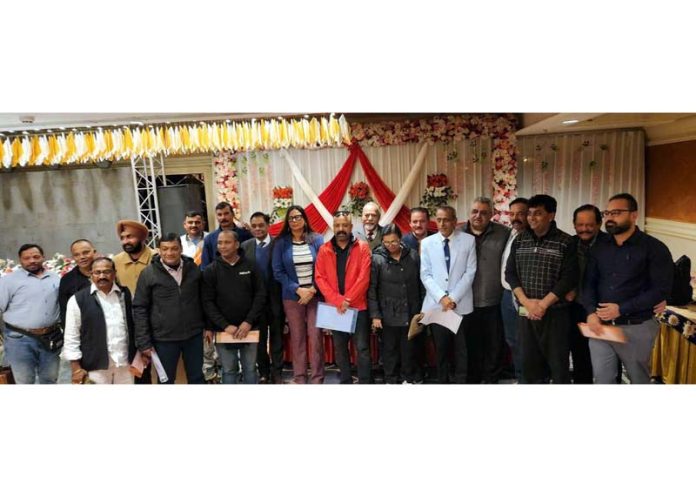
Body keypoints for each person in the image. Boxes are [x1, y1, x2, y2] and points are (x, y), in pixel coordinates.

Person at [582, 193, 673, 384]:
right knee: (602, 379)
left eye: (616, 212)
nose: (609, 218)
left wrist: (621, 309)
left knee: (638, 378)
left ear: (634, 215)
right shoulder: (599, 247)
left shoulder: (654, 248)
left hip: (637, 327)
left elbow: (660, 290)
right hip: (600, 326)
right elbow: (588, 283)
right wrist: (591, 312)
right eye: (607, 213)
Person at [505, 194, 578, 384]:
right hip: (526, 313)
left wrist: (543, 305)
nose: (531, 218)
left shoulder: (566, 242)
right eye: (529, 214)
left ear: (551, 215)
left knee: (558, 366)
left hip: (556, 315)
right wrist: (527, 303)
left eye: (538, 213)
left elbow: (568, 278)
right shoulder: (520, 240)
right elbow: (510, 273)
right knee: (528, 364)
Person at [133, 233, 205, 384]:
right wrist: (144, 341)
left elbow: (203, 299)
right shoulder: (148, 273)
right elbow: (140, 308)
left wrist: (207, 326)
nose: (169, 253)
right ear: (159, 250)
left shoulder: (193, 268)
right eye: (165, 249)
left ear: (180, 249)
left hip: (193, 335)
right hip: (164, 339)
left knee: (197, 377)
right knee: (166, 380)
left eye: (174, 248)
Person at [420, 206, 477, 384]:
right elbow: (425, 274)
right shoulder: (428, 243)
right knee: (441, 349)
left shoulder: (468, 241)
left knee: (462, 349)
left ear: (454, 220)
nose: (442, 223)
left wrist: (452, 298)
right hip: (437, 305)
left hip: (460, 305)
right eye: (439, 219)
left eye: (446, 219)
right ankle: (443, 382)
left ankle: (461, 381)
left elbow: (470, 272)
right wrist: (442, 298)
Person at [315, 211, 373, 384]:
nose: (341, 229)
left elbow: (364, 278)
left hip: (358, 307)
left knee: (362, 348)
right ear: (333, 227)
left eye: (344, 225)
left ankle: (365, 382)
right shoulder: (324, 249)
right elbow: (320, 278)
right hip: (335, 309)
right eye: (337, 225)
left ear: (351, 227)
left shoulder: (362, 247)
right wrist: (339, 301)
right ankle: (346, 381)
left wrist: (347, 300)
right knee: (340, 349)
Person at [202, 231, 266, 384]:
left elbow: (260, 295)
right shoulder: (211, 270)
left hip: (250, 328)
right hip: (224, 330)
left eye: (227, 242)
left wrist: (248, 321)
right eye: (219, 243)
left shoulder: (251, 266)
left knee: (250, 369)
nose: (222, 246)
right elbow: (207, 302)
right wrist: (224, 325)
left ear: (237, 244)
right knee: (229, 370)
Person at [271, 205, 325, 384]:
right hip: (292, 297)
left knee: (316, 337)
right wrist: (297, 288)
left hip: (315, 296)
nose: (295, 220)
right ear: (287, 221)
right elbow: (278, 271)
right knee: (297, 338)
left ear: (304, 218)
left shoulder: (317, 239)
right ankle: (300, 377)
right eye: (291, 218)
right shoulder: (281, 242)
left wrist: (312, 289)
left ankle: (317, 378)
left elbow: (325, 268)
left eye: (298, 217)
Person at [62, 257, 137, 384]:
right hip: (95, 366)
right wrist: (76, 368)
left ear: (114, 273)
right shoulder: (78, 300)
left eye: (107, 272)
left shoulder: (126, 295)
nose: (102, 276)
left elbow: (136, 326)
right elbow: (71, 336)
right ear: (91, 274)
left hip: (124, 363)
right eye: (97, 272)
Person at [462, 196, 511, 383]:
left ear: (491, 214)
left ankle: (491, 379)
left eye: (483, 212)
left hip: (494, 299)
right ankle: (473, 379)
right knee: (470, 344)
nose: (478, 216)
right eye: (474, 211)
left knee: (494, 344)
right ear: (469, 213)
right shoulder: (458, 233)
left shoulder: (504, 233)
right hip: (466, 301)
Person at [368, 224, 424, 384]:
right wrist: (375, 315)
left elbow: (420, 284)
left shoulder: (412, 256)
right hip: (387, 313)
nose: (390, 246)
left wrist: (422, 309)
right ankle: (391, 380)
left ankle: (408, 378)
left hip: (411, 311)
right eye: (386, 242)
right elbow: (372, 288)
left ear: (401, 239)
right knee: (389, 351)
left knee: (409, 349)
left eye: (394, 242)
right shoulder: (377, 258)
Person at [0, 244, 62, 384]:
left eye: (35, 257)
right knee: (24, 381)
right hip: (20, 339)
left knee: (50, 379)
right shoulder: (8, 281)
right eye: (26, 258)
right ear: (20, 260)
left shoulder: (55, 278)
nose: (32, 260)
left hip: (50, 337)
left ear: (43, 257)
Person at [565, 204, 608, 383]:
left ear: (599, 224)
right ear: (574, 225)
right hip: (575, 308)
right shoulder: (570, 244)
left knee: (606, 358)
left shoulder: (611, 244)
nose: (584, 229)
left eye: (589, 225)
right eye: (580, 225)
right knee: (579, 352)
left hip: (603, 309)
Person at [240, 212, 285, 384]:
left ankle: (277, 372)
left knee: (277, 339)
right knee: (258, 341)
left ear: (268, 226)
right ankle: (264, 372)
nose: (257, 229)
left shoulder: (279, 244)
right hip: (254, 304)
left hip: (275, 301)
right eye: (254, 226)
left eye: (261, 225)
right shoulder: (245, 246)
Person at [113, 219, 154, 384]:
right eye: (122, 238)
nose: (126, 241)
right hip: (129, 326)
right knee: (137, 373)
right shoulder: (115, 262)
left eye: (130, 237)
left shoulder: (157, 257)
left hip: (157, 323)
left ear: (141, 237)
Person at [500, 197, 528, 381]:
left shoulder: (531, 238)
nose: (516, 217)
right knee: (512, 339)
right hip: (506, 296)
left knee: (526, 339)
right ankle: (520, 376)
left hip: (524, 298)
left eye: (521, 213)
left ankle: (530, 378)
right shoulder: (511, 233)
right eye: (512, 213)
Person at [201, 202, 251, 269]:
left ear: (233, 214)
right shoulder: (210, 239)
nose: (223, 217)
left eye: (226, 214)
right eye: (219, 215)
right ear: (216, 217)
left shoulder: (245, 234)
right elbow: (205, 266)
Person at [58, 239, 97, 326]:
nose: (82, 257)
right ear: (72, 257)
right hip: (83, 329)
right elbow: (65, 311)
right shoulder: (67, 280)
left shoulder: (106, 273)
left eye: (86, 252)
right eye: (76, 255)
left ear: (94, 252)